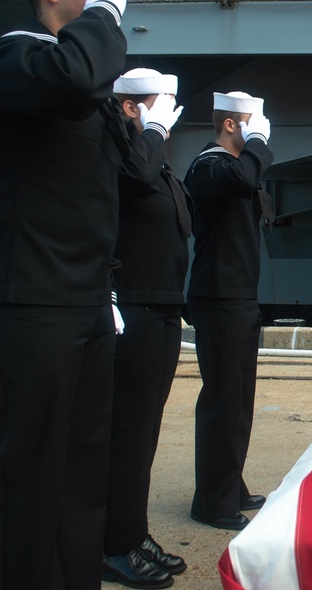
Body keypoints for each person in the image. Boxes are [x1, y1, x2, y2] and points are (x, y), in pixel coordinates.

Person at [0, 0, 128, 589]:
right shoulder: (11, 60)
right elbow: (78, 73)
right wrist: (107, 16)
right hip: (26, 303)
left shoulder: (71, 79)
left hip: (81, 300)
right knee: (27, 477)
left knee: (82, 474)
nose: (105, 0)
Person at [102, 69, 189, 588]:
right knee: (127, 433)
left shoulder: (154, 161)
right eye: (159, 106)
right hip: (132, 308)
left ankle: (131, 532)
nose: (168, 117)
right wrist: (150, 134)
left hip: (162, 308)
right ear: (133, 108)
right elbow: (133, 181)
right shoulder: (125, 156)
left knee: (145, 431)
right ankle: (114, 545)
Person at [184, 91, 274, 531]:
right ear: (232, 125)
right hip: (219, 298)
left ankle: (229, 485)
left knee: (239, 400)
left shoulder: (232, 168)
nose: (260, 131)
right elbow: (243, 179)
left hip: (237, 296)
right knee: (223, 401)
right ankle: (212, 503)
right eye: (251, 122)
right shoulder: (208, 165)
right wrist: (258, 143)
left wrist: (254, 145)